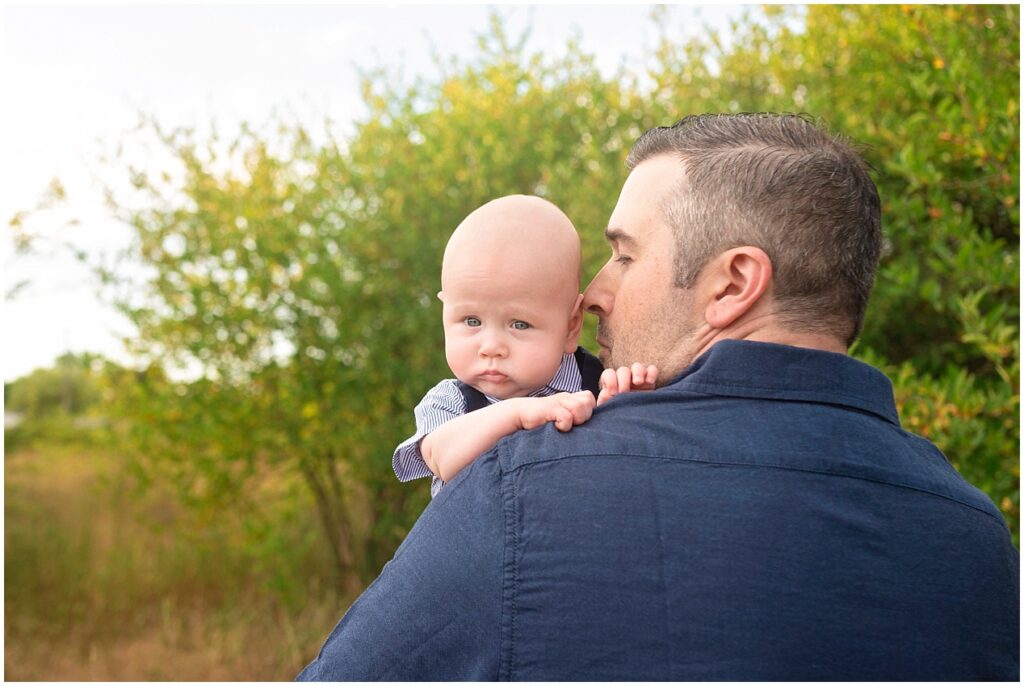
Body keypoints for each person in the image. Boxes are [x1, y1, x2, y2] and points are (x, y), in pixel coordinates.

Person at [297, 113, 1019, 681]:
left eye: (624, 255)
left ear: (733, 284)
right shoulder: (979, 540)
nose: (598, 292)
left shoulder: (520, 494)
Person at [391, 194, 657, 496]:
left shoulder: (596, 384)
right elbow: (441, 458)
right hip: (485, 539)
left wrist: (628, 407)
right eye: (471, 321)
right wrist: (518, 414)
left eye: (519, 324)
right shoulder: (451, 402)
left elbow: (634, 469)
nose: (490, 347)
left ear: (571, 326)